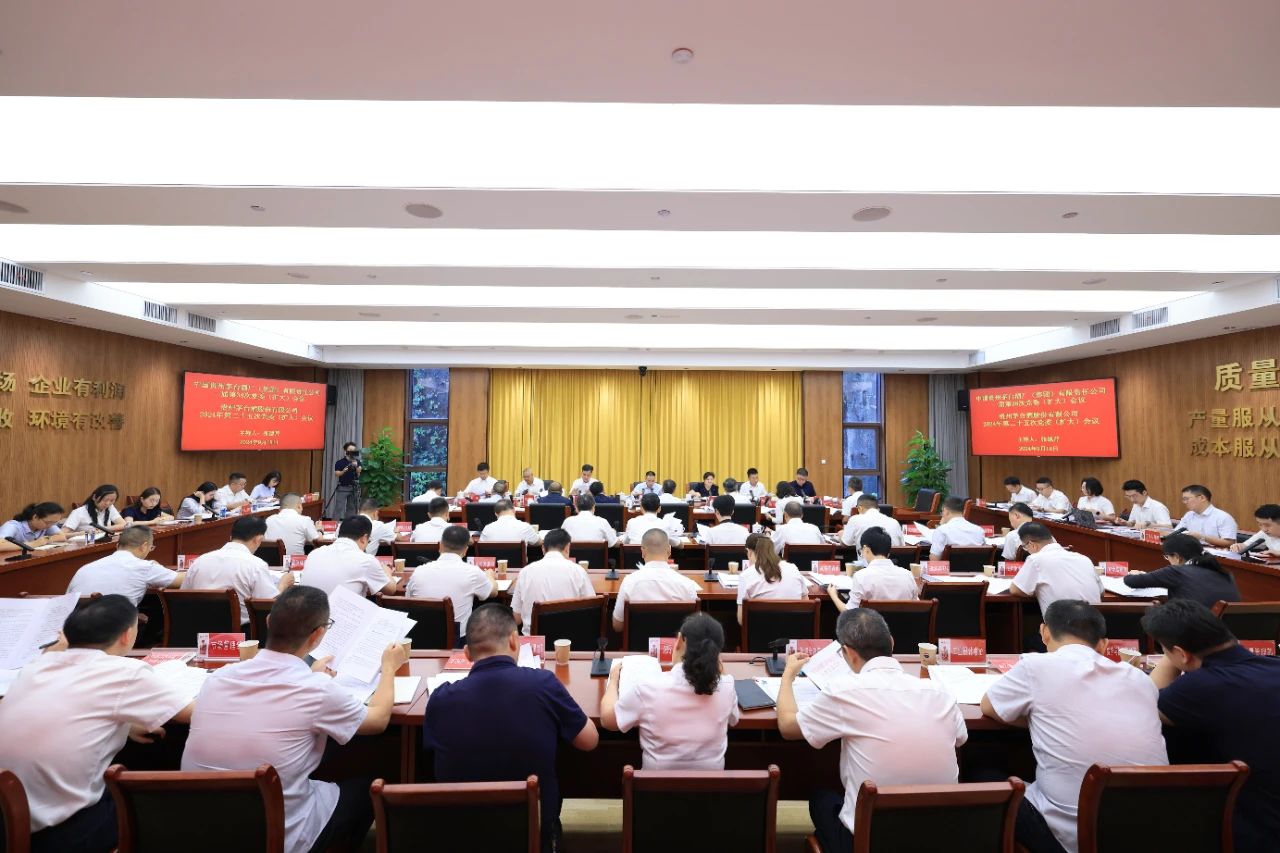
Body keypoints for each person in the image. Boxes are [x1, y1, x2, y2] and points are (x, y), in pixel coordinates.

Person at [183, 586, 407, 853]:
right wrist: (389, 668)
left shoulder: (218, 678)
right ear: (318, 635)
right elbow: (378, 720)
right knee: (367, 788)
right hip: (279, 836)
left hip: (203, 831)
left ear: (268, 622)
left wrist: (314, 675)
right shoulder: (316, 689)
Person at [0, 595, 193, 853]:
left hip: (8, 822)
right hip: (62, 832)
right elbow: (193, 714)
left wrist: (125, 725)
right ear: (127, 635)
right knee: (161, 807)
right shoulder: (125, 672)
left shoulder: (36, 665)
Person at [982, 599, 1168, 853]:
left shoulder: (1036, 666)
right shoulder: (1140, 679)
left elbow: (989, 707)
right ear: (1103, 645)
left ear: (1044, 633)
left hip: (1070, 838)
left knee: (983, 776)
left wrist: (1041, 718)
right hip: (1150, 833)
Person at [778, 608, 967, 853]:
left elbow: (788, 726)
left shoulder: (845, 690)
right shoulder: (940, 692)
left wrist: (787, 676)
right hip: (941, 839)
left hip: (869, 841)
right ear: (891, 643)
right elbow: (960, 738)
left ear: (848, 653)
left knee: (821, 797)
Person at [422, 604, 598, 850]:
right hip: (531, 835)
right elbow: (589, 740)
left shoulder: (440, 699)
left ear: (467, 653)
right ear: (515, 641)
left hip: (463, 835)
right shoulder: (542, 683)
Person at [1142, 600, 1280, 853]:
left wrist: (1172, 658)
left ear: (1181, 653)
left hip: (1260, 830)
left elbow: (1148, 707)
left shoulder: (1199, 687)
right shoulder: (1274, 664)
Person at [601, 612, 739, 768]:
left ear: (679, 640)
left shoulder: (648, 689)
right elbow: (733, 720)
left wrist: (613, 680)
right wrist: (718, 670)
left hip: (655, 784)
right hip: (712, 784)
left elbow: (607, 720)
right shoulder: (728, 686)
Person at [182, 515, 294, 625]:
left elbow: (183, 598)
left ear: (231, 537)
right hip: (242, 634)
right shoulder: (256, 565)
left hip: (197, 631)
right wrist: (283, 585)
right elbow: (268, 605)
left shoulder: (199, 561)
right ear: (258, 539)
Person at [404, 524, 497, 637]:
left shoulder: (418, 571)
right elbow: (493, 592)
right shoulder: (472, 572)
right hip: (457, 640)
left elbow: (408, 600)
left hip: (421, 637)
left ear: (440, 546)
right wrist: (490, 575)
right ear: (465, 550)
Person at [67, 525, 183, 605]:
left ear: (117, 546)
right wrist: (158, 568)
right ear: (144, 546)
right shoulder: (145, 567)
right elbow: (184, 579)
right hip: (113, 629)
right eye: (150, 548)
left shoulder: (85, 568)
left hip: (72, 628)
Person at [612, 529, 700, 631]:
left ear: (642, 552)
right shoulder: (687, 585)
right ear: (669, 550)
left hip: (640, 641)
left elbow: (617, 626)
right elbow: (695, 627)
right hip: (675, 641)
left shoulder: (629, 582)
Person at [510, 529, 596, 634]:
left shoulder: (525, 572)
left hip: (534, 641)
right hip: (569, 640)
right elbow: (592, 610)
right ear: (567, 547)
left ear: (543, 549)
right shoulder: (578, 571)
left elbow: (517, 618)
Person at [1123, 533, 1240, 607]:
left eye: (1167, 557)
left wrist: (1134, 574)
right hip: (1227, 632)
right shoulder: (1223, 572)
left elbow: (1132, 581)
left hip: (1194, 632)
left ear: (1177, 557)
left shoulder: (1176, 572)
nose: (1167, 560)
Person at [1010, 522, 1101, 617]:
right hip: (1096, 624)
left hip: (1062, 624)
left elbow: (1015, 590)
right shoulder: (1084, 559)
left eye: (1025, 547)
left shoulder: (1036, 559)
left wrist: (1038, 590)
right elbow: (1100, 592)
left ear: (1032, 545)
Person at [300, 515, 397, 597]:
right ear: (364, 538)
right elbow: (391, 590)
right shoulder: (366, 560)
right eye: (369, 540)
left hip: (307, 612)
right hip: (341, 613)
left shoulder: (314, 553)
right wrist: (387, 572)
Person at [829, 527, 917, 613]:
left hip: (871, 623)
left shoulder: (861, 577)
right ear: (888, 553)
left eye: (861, 551)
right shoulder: (908, 575)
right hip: (902, 623)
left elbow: (849, 613)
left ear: (866, 549)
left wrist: (834, 595)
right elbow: (916, 607)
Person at [736, 534, 807, 622]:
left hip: (761, 629)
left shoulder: (746, 575)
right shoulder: (793, 568)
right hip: (795, 628)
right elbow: (806, 604)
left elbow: (742, 620)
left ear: (749, 552)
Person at [917, 496, 986, 559]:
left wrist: (941, 526)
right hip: (976, 569)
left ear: (946, 511)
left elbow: (934, 560)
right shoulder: (979, 530)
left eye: (942, 511)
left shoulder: (942, 530)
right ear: (963, 511)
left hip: (949, 569)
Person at [839, 494, 904, 548]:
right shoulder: (894, 522)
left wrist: (841, 534)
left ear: (860, 508)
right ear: (878, 509)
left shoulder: (855, 519)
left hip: (866, 560)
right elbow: (902, 546)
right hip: (892, 560)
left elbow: (845, 544)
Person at [63, 484, 130, 535]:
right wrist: (85, 533)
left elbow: (124, 525)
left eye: (112, 500)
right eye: (104, 500)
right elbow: (62, 534)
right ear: (94, 497)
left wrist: (103, 529)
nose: (108, 503)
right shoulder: (79, 512)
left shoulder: (110, 507)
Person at [0, 502, 68, 551]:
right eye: (48, 522)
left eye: (53, 523)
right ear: (35, 517)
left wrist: (46, 540)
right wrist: (33, 544)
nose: (50, 526)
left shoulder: (48, 524)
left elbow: (62, 537)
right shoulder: (12, 526)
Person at [332, 442, 362, 520]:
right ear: (345, 451)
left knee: (352, 508)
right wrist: (343, 471)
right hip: (343, 487)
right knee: (339, 507)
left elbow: (359, 472)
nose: (352, 452)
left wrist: (357, 467)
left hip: (354, 488)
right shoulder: (340, 462)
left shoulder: (357, 461)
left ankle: (349, 524)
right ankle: (334, 523)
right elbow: (337, 474)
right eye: (350, 450)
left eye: (353, 451)